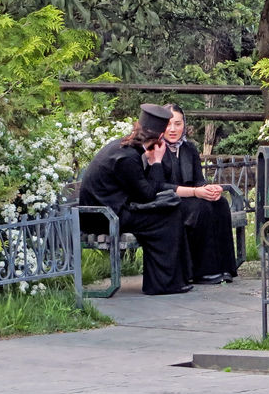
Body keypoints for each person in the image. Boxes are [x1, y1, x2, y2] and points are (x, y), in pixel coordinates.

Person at [79, 103, 193, 295]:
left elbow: (142, 191)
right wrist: (156, 161)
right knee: (167, 217)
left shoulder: (123, 147)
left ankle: (173, 279)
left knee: (171, 209)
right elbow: (147, 195)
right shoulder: (127, 158)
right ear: (158, 138)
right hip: (103, 217)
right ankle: (161, 284)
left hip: (109, 211)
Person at [147, 104, 237, 284]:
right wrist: (196, 192)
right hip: (166, 201)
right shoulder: (154, 148)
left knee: (219, 204)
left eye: (178, 124)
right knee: (201, 208)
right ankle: (201, 271)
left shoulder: (189, 149)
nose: (173, 129)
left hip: (191, 197)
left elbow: (198, 180)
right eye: (168, 124)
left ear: (184, 125)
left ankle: (225, 267)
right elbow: (157, 185)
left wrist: (210, 189)